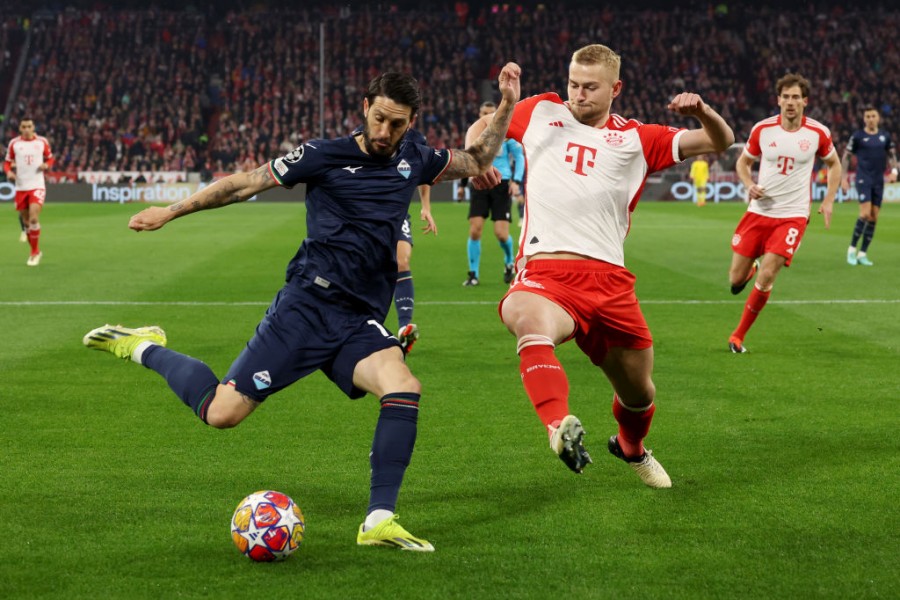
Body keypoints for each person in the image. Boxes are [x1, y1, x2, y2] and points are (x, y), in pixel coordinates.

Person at [83, 64, 522, 552]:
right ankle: (144, 346)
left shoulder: (417, 158)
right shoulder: (321, 155)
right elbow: (243, 184)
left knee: (403, 385)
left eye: (396, 124)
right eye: (378, 118)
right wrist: (171, 211)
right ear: (364, 109)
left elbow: (481, 155)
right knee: (221, 414)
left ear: (412, 121)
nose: (384, 131)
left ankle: (378, 520)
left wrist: (505, 105)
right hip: (307, 306)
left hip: (358, 318)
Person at [467, 44, 734, 486]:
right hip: (546, 272)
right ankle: (558, 427)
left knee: (638, 392)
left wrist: (702, 110)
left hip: (610, 282)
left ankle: (631, 448)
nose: (578, 94)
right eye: (573, 83)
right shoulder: (540, 111)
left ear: (616, 88)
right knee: (526, 317)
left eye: (590, 87)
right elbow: (481, 125)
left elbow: (720, 140)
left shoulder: (639, 138)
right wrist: (477, 157)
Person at [729, 73, 841, 353]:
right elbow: (743, 163)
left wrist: (828, 199)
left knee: (767, 276)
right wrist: (749, 184)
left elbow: (835, 165)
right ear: (778, 100)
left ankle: (737, 336)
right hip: (759, 211)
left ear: (805, 101)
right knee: (734, 279)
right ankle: (749, 269)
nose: (790, 102)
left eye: (796, 97)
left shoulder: (818, 133)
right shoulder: (763, 130)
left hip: (792, 216)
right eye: (786, 97)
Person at [462, 101, 525, 287]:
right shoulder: (474, 133)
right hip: (480, 182)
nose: (487, 117)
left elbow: (519, 156)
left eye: (491, 113)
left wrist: (516, 180)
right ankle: (473, 274)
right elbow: (466, 157)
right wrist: (463, 183)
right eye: (484, 113)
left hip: (501, 183)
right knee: (475, 229)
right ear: (479, 113)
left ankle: (508, 261)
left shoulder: (506, 133)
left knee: (501, 234)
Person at [392, 129, 435, 354]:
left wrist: (425, 207)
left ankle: (403, 328)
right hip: (366, 213)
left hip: (397, 214)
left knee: (402, 261)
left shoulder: (416, 141)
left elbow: (424, 173)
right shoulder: (368, 135)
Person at [841, 106, 898, 266]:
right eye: (867, 116)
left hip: (878, 181)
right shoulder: (858, 136)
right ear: (864, 118)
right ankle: (851, 250)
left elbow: (892, 155)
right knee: (865, 214)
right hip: (863, 179)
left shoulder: (884, 136)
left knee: (874, 217)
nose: (870, 119)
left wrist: (894, 171)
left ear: (878, 118)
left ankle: (862, 253)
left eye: (873, 116)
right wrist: (844, 178)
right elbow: (846, 156)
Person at [4, 118, 54, 266]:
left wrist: (46, 164)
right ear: (20, 128)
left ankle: (34, 252)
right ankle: (35, 251)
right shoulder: (14, 144)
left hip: (37, 185)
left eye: (29, 126)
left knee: (33, 218)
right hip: (21, 186)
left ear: (33, 127)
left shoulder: (41, 142)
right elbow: (7, 162)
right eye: (24, 126)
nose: (27, 129)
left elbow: (50, 159)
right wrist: (8, 172)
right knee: (26, 222)